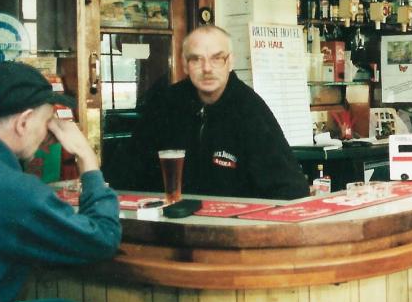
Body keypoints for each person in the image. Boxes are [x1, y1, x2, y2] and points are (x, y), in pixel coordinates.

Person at [0, 61, 121, 302]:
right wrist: (87, 160)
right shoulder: (11, 191)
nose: (47, 134)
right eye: (46, 121)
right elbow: (102, 239)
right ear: (23, 122)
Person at [128, 25, 309, 199]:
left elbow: (291, 189)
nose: (207, 68)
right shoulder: (165, 104)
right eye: (196, 59)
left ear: (230, 62)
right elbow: (128, 173)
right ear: (184, 64)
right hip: (170, 222)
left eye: (217, 58)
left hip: (233, 225)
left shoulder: (250, 110)